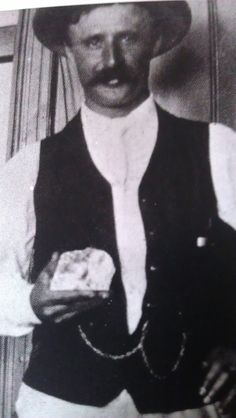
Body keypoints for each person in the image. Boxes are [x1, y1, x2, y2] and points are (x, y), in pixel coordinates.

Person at [0, 2, 236, 417]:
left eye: (127, 38)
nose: (111, 61)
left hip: (184, 405)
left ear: (156, 41)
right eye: (93, 42)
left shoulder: (217, 147)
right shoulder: (28, 166)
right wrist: (32, 303)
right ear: (68, 48)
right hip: (60, 406)